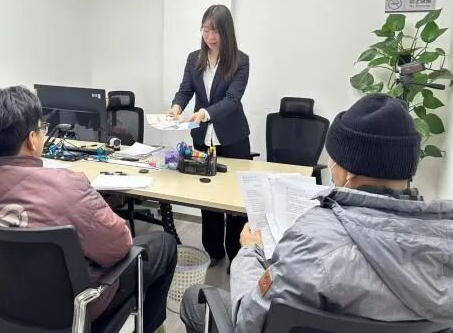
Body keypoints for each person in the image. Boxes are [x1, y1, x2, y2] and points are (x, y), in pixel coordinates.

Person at [180, 93, 453, 332]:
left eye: (332, 157)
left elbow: (249, 320)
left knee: (195, 299)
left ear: (347, 171)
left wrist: (250, 252)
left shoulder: (313, 244)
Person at [0, 86, 177, 333]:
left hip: (5, 300)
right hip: (75, 309)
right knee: (163, 244)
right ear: (32, 139)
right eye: (42, 128)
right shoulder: (67, 187)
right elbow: (120, 246)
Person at [170, 4, 250, 264]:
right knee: (208, 195)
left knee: (235, 200)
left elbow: (232, 99)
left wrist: (204, 113)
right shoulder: (194, 58)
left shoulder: (240, 61)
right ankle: (213, 251)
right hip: (202, 139)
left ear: (226, 32)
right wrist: (177, 106)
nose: (210, 36)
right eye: (205, 30)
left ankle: (236, 255)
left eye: (215, 31)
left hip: (233, 138)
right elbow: (185, 89)